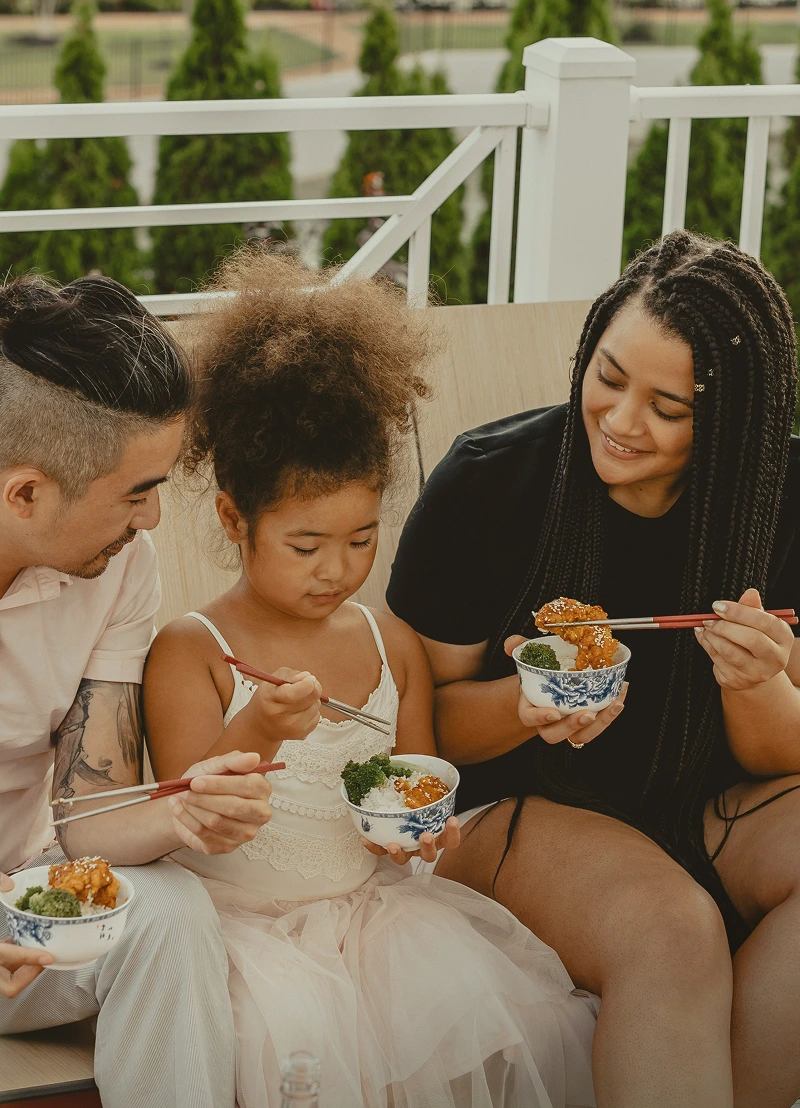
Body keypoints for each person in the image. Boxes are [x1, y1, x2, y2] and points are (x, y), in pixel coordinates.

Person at [143, 248, 599, 1108]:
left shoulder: (390, 643)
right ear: (235, 519)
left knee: (486, 1025)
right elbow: (189, 821)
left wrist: (421, 832)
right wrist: (265, 727)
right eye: (306, 546)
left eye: (361, 540)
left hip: (381, 922)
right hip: (249, 940)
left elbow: (415, 780)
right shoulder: (192, 649)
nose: (338, 569)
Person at [386, 230, 800, 1108]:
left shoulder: (780, 500)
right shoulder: (493, 483)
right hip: (507, 805)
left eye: (668, 407)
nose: (619, 420)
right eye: (607, 378)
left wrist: (758, 684)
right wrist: (527, 705)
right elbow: (421, 732)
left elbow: (782, 760)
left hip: (703, 800)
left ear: (733, 423)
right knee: (672, 930)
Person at [0, 274, 274, 1108]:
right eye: (136, 492)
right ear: (25, 492)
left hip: (22, 905)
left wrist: (184, 810)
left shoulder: (118, 568)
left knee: (167, 909)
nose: (152, 521)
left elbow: (89, 813)